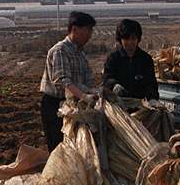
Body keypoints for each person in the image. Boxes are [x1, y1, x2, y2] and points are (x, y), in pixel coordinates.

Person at [39, 11, 97, 151]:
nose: (89, 36)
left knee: (74, 147)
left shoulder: (81, 53)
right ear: (74, 29)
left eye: (91, 32)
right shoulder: (60, 50)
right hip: (55, 105)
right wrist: (83, 96)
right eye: (87, 31)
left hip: (73, 105)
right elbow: (63, 80)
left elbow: (89, 79)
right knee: (59, 148)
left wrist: (95, 94)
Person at [102, 18, 159, 101]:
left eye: (133, 38)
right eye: (126, 39)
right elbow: (106, 77)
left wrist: (152, 98)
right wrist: (114, 85)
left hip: (139, 104)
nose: (129, 42)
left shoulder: (145, 59)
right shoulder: (113, 58)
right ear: (120, 39)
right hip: (117, 103)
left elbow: (150, 82)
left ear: (138, 39)